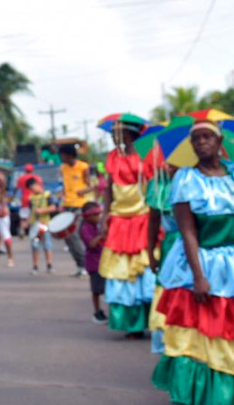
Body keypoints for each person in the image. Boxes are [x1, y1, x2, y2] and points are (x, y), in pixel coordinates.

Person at [152, 121, 234, 405]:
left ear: (219, 141)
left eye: (207, 137)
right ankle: (212, 396)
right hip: (206, 260)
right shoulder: (186, 179)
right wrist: (198, 276)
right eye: (196, 139)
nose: (201, 142)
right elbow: (187, 231)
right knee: (210, 334)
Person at [98, 121, 155, 337]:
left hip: (143, 217)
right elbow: (108, 190)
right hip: (119, 220)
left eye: (117, 133)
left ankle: (150, 318)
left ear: (129, 134)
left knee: (144, 268)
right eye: (113, 133)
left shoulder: (146, 155)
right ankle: (131, 324)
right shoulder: (113, 157)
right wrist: (105, 216)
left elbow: (153, 185)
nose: (114, 137)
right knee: (121, 271)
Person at [145, 162, 178, 355]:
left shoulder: (197, 179)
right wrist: (151, 253)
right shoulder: (159, 184)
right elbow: (153, 222)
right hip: (171, 248)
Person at [58, 143, 90, 276]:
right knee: (67, 236)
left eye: (63, 155)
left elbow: (90, 186)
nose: (61, 157)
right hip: (67, 205)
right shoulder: (63, 168)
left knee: (75, 234)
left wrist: (84, 191)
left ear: (70, 155)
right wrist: (61, 200)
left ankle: (85, 264)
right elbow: (64, 187)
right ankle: (79, 265)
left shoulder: (83, 167)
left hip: (80, 205)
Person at [79, 202, 108, 323]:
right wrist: (101, 235)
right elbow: (91, 244)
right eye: (96, 215)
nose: (98, 218)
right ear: (88, 216)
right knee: (96, 290)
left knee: (107, 288)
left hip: (104, 262)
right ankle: (97, 312)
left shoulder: (97, 225)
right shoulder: (85, 228)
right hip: (94, 263)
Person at [26, 177, 57, 275]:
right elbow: (30, 211)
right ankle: (35, 266)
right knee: (35, 245)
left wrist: (42, 211)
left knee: (47, 244)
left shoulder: (47, 195)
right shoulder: (31, 198)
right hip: (35, 225)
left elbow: (53, 208)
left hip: (44, 224)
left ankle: (49, 264)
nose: (32, 190)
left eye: (32, 188)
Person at [14, 163, 41, 238]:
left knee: (24, 217)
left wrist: (13, 196)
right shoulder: (37, 178)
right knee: (35, 216)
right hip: (35, 200)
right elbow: (41, 189)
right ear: (32, 170)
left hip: (24, 200)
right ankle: (35, 231)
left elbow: (16, 188)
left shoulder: (21, 178)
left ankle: (22, 229)